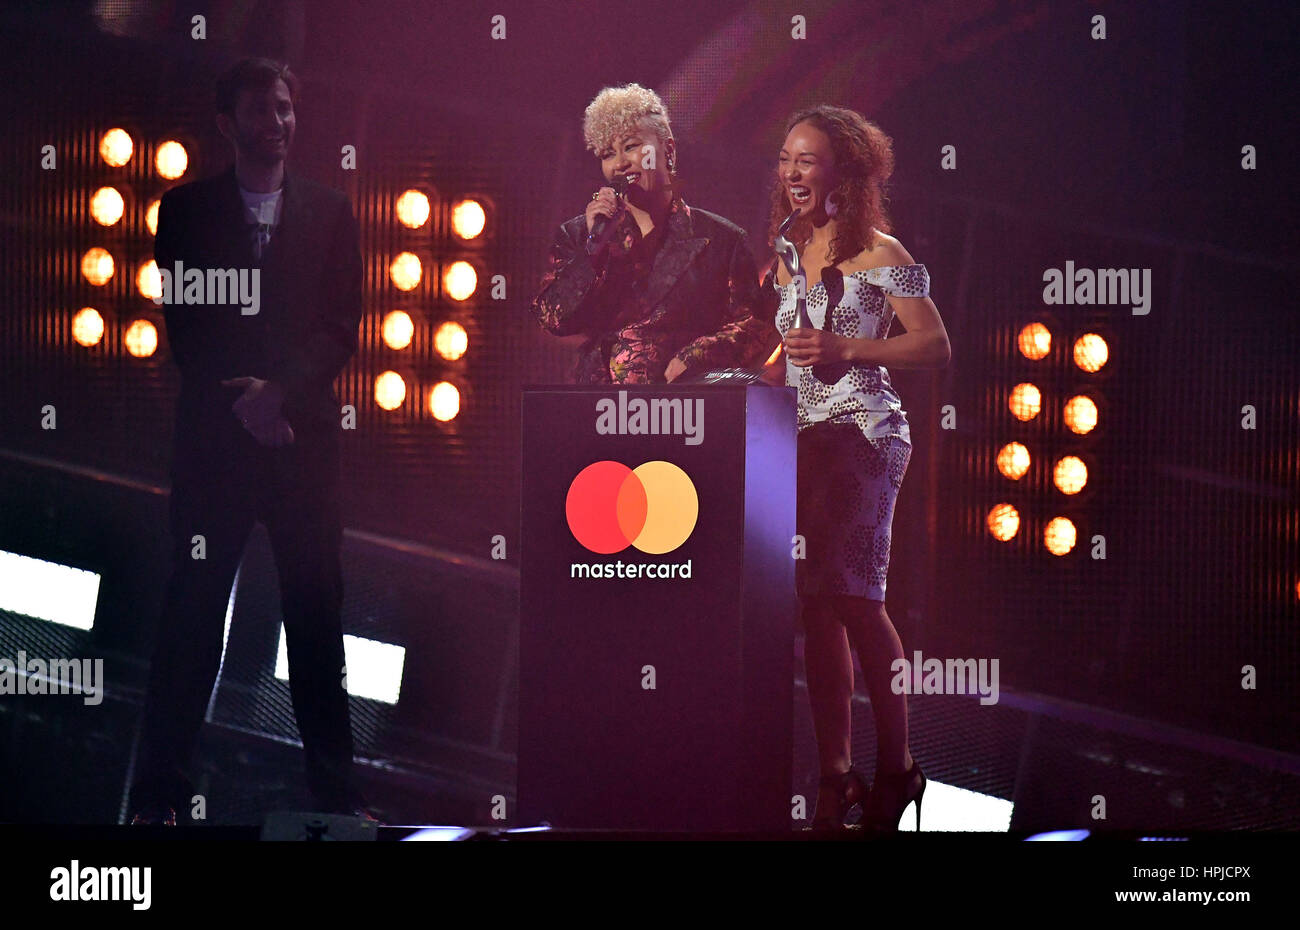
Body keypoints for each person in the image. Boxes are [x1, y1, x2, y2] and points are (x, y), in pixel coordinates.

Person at [128, 58, 369, 824]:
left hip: (302, 449)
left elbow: (342, 327)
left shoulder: (332, 213)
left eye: (288, 106)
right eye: (263, 109)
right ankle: (158, 799)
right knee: (192, 617)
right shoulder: (185, 212)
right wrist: (252, 405)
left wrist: (283, 397)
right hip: (217, 450)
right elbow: (188, 327)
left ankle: (335, 804)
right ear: (228, 123)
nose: (280, 121)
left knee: (315, 624)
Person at [769, 105, 951, 831]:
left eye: (806, 160)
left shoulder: (884, 252)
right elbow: (783, 349)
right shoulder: (787, 248)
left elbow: (935, 348)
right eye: (785, 159)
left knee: (854, 600)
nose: (791, 174)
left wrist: (848, 350)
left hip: (865, 434)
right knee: (816, 605)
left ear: (844, 172)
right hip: (802, 438)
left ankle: (900, 768)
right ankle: (835, 777)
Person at [529, 83, 778, 383]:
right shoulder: (579, 234)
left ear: (668, 151)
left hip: (684, 412)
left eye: (631, 147)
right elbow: (552, 318)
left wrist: (694, 357)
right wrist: (593, 250)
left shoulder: (722, 240)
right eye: (608, 153)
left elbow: (755, 326)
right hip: (597, 413)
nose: (620, 163)